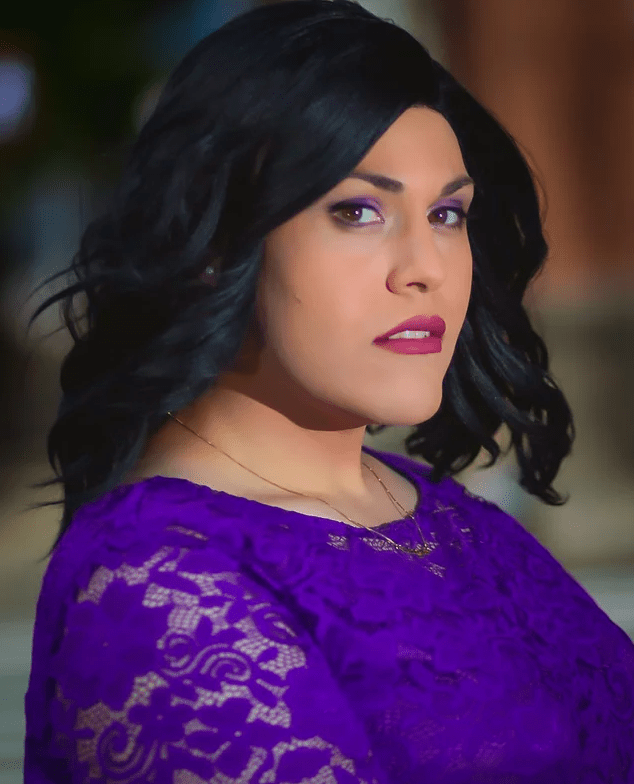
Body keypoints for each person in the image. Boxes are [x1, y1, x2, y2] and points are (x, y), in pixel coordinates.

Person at [22, 1, 634, 781]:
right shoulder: (155, 582)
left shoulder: (445, 514)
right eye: (358, 211)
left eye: (447, 213)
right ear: (216, 241)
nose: (426, 267)